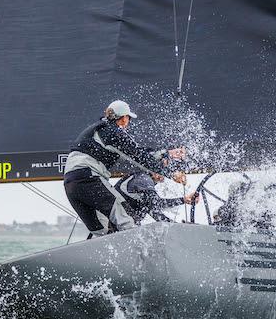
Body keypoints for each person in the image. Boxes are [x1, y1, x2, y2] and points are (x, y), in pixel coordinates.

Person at [63, 100, 187, 238]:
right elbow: (139, 156)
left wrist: (167, 153)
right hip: (89, 178)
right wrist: (171, 173)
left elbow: (137, 152)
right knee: (125, 219)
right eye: (128, 119)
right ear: (123, 119)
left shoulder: (100, 130)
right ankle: (141, 252)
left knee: (102, 232)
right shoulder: (114, 132)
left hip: (70, 184)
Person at [115, 171, 199, 223]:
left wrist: (183, 200)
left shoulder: (145, 180)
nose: (164, 175)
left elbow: (156, 204)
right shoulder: (144, 179)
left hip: (122, 221)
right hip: (117, 221)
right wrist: (177, 227)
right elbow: (154, 209)